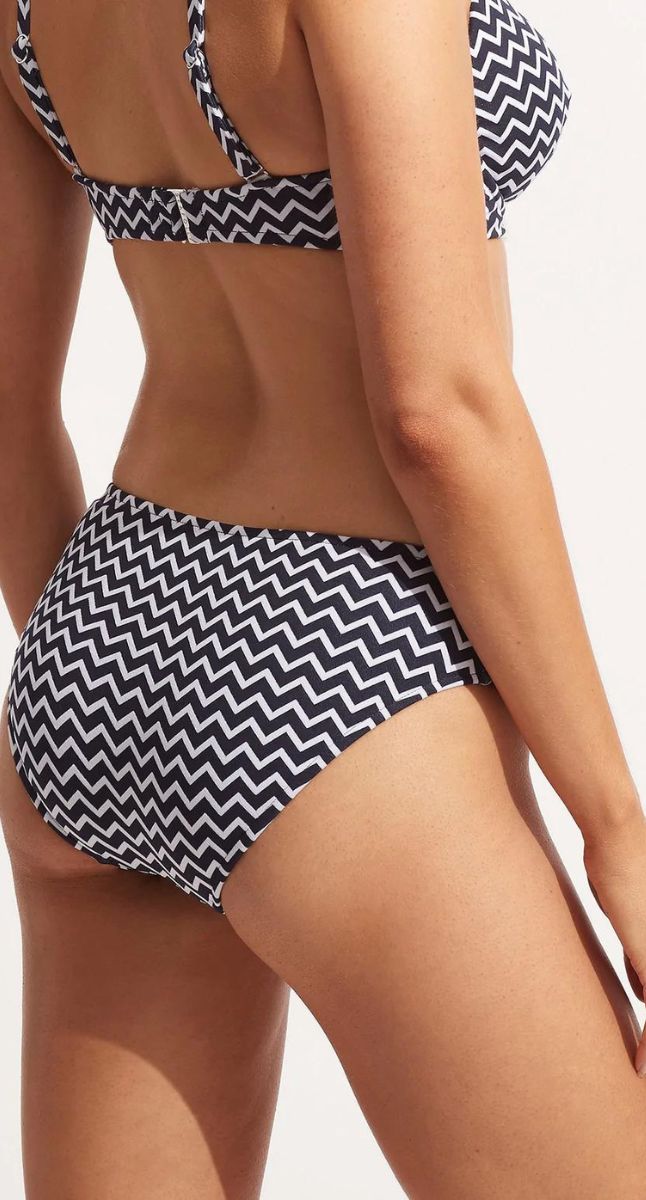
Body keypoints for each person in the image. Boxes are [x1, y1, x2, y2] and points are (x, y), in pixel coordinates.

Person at [1, 0, 646, 1196]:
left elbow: (4, 415)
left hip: (100, 631)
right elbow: (436, 417)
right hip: (342, 640)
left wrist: (131, 682)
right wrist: (616, 824)